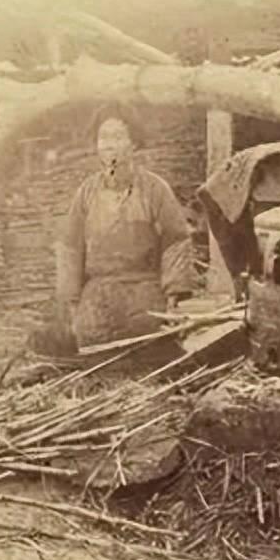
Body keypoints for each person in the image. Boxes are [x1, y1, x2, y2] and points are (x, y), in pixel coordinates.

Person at [53, 104, 197, 368]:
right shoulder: (86, 192)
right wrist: (72, 303)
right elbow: (70, 247)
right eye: (103, 138)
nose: (109, 145)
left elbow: (176, 239)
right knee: (96, 362)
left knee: (147, 359)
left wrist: (173, 296)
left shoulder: (155, 189)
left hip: (143, 294)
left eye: (118, 136)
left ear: (134, 144)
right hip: (98, 297)